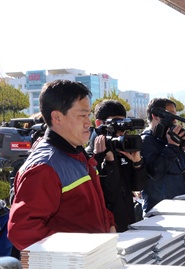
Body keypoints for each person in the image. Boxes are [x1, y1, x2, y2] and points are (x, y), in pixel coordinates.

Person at [8, 80, 115, 250]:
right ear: (57, 117)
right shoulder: (45, 166)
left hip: (92, 264)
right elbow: (22, 231)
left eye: (89, 115)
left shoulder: (77, 154)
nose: (89, 123)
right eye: (82, 115)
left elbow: (93, 209)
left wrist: (110, 225)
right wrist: (79, 250)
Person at [87, 100, 147, 232]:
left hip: (129, 224)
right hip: (106, 229)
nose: (121, 130)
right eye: (115, 123)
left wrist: (137, 163)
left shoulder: (123, 150)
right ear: (99, 123)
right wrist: (108, 160)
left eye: (123, 124)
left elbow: (138, 186)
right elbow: (109, 194)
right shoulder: (89, 157)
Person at [140, 98, 185, 213]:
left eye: (175, 114)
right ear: (155, 115)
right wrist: (172, 146)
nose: (174, 119)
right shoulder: (146, 141)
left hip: (183, 206)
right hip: (160, 211)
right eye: (171, 114)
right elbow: (156, 172)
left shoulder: (171, 138)